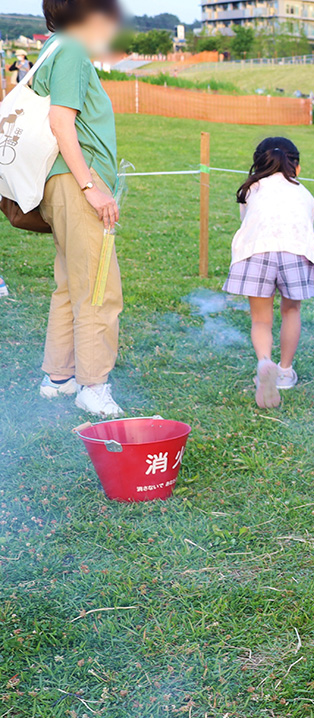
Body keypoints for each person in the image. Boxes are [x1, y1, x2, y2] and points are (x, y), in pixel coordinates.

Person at [31, 0, 126, 417]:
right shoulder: (70, 49)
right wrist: (91, 186)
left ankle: (59, 376)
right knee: (99, 287)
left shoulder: (53, 47)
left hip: (60, 183)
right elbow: (60, 120)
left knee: (71, 283)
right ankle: (93, 385)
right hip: (75, 181)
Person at [224, 137, 314, 410]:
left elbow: (248, 221)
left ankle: (264, 361)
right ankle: (285, 371)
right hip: (296, 252)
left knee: (261, 320)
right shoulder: (304, 192)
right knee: (291, 312)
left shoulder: (251, 189)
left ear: (258, 163)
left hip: (257, 252)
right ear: (297, 167)